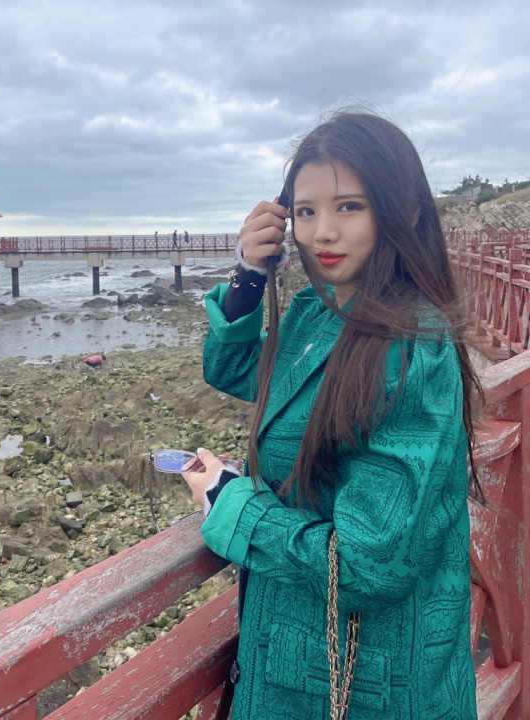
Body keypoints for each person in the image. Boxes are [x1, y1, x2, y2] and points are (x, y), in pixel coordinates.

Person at [181, 111, 483, 718]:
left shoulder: (412, 347)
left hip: (371, 684)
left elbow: (368, 563)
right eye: (304, 211)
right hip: (296, 664)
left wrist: (229, 504)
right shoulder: (315, 314)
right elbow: (234, 369)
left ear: (406, 212)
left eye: (349, 207)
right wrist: (248, 276)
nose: (322, 232)